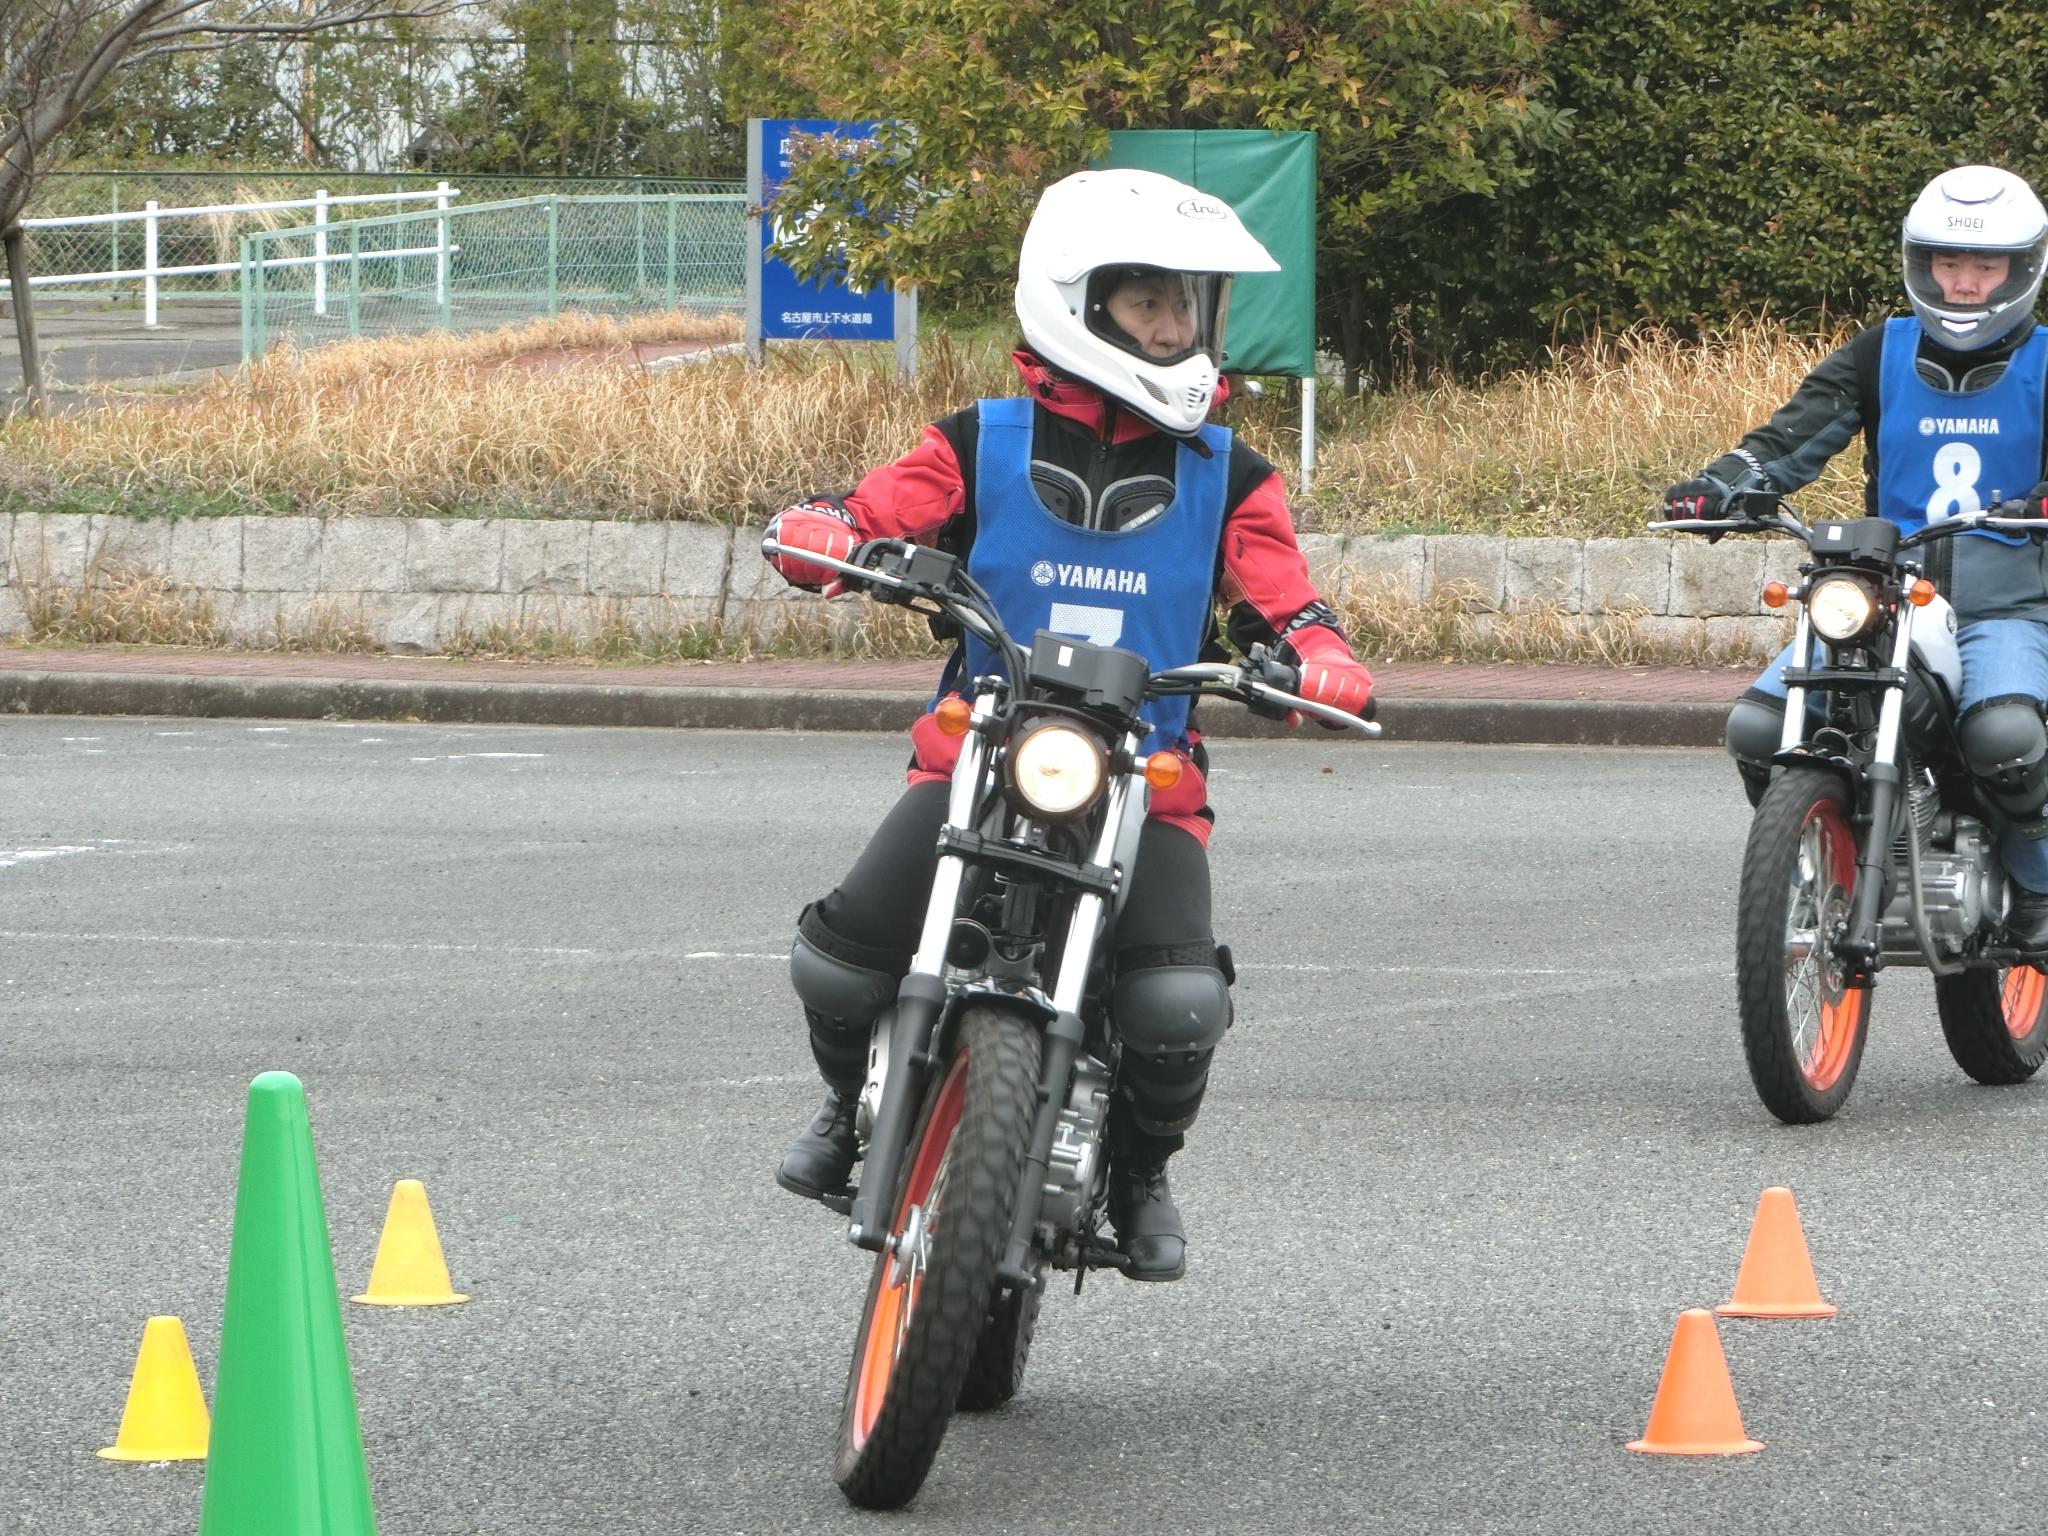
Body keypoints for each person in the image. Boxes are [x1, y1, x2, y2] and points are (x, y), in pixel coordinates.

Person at [760, 167, 1374, 1281]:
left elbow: (1287, 600)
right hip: (980, 756)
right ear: (1078, 304)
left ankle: (1140, 1170)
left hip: (1149, 778)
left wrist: (1321, 657)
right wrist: (828, 532)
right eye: (1150, 305)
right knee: (843, 961)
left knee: (1176, 1003)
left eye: (1187, 306)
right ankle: (847, 1116)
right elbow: (873, 512)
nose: (1178, 328)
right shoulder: (975, 441)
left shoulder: (1231, 475)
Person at [1663, 164, 2048, 950]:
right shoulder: (1883, 351)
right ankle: (1818, 854)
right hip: (1886, 593)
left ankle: (2039, 890)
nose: (1965, 283)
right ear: (1919, 262)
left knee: (2004, 737)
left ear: (2021, 268)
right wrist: (1721, 487)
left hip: (2007, 606)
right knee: (1756, 727)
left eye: (1985, 266)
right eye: (1948, 262)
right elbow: (1793, 434)